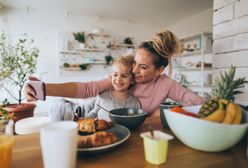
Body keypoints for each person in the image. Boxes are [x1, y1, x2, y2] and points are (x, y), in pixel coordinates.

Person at [25, 30, 204, 117]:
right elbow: (87, 89)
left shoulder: (167, 84)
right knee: (59, 108)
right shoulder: (124, 77)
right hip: (96, 109)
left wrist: (163, 112)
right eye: (135, 62)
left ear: (159, 70)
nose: (134, 70)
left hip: (125, 129)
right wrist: (43, 89)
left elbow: (197, 103)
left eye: (143, 67)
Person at [86, 54, 141, 121]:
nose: (118, 79)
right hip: (102, 131)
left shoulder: (135, 103)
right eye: (115, 75)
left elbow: (137, 121)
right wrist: (82, 119)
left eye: (124, 76)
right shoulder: (103, 96)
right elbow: (94, 113)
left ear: (132, 80)